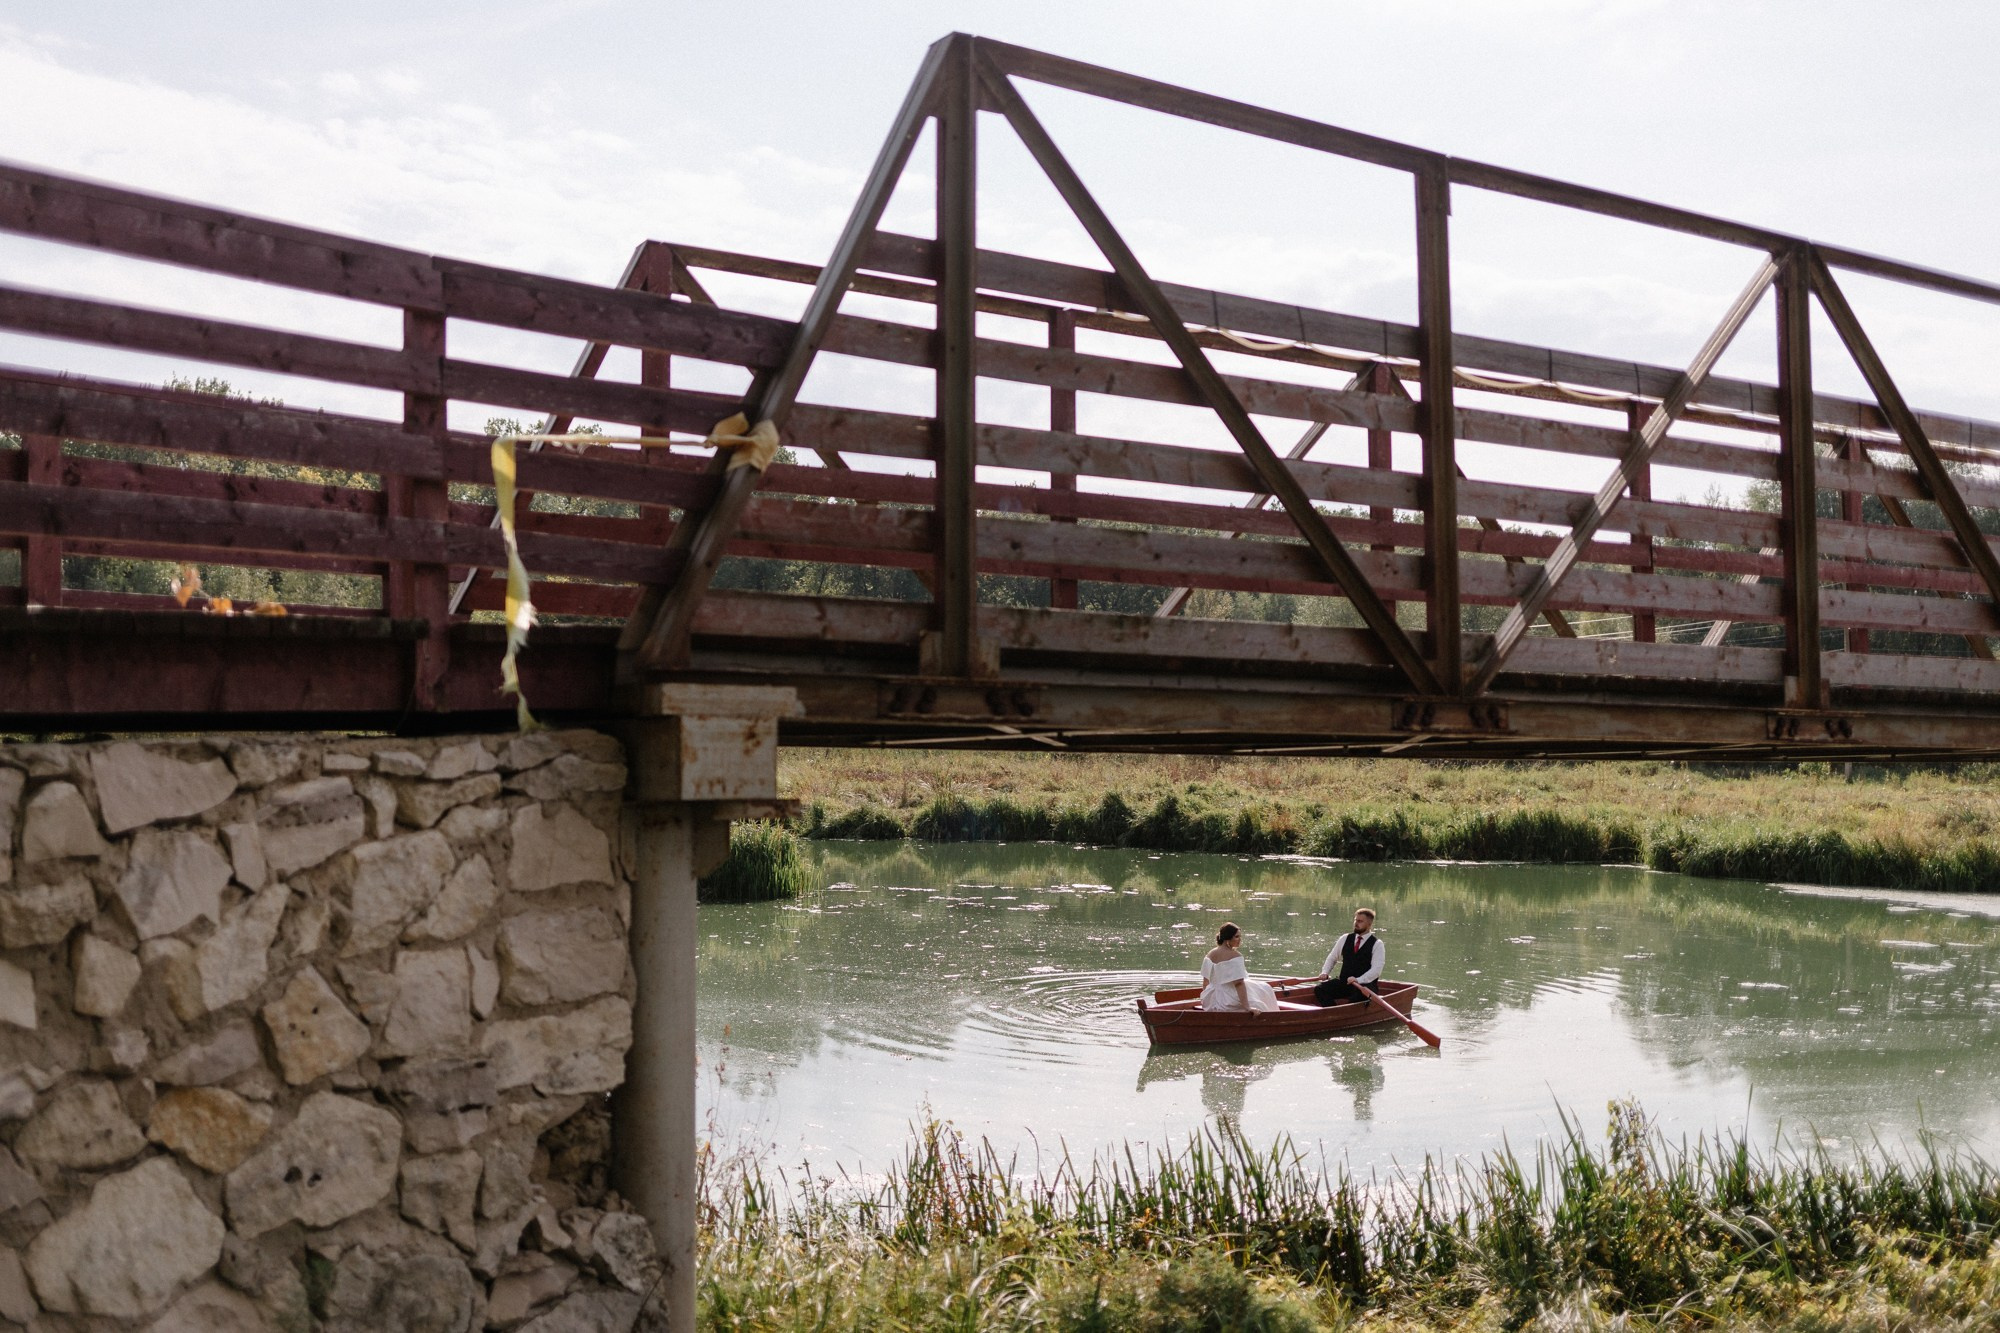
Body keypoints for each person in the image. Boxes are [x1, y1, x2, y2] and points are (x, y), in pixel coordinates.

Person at [1199, 922, 1279, 1013]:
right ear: (1227, 938)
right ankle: (1276, 1019)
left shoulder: (1210, 954)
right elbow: (1239, 984)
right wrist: (1247, 1007)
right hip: (1227, 1000)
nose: (1240, 940)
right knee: (1265, 990)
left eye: (1240, 937)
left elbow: (1205, 982)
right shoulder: (1235, 956)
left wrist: (1207, 1001)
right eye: (1236, 937)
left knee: (1262, 988)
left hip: (1211, 1000)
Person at [1313, 908, 1384, 1008]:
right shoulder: (1345, 938)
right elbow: (1332, 958)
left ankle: (1342, 1014)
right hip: (1344, 983)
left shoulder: (1377, 944)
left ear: (1369, 924)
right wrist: (1325, 972)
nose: (1356, 923)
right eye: (1355, 920)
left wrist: (1358, 980)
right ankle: (1333, 1013)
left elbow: (1376, 970)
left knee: (1356, 998)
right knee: (1320, 989)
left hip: (1364, 986)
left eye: (1360, 921)